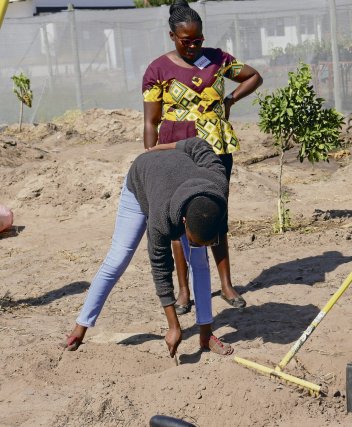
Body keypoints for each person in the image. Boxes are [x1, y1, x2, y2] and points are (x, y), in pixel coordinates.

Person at [142, 0, 263, 313]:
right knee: (176, 219)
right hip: (175, 150)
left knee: (215, 213)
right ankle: (184, 292)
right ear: (172, 36)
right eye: (186, 41)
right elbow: (150, 121)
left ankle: (225, 285)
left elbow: (253, 76)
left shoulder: (218, 59)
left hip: (216, 148)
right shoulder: (157, 69)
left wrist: (230, 100)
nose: (193, 46)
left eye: (198, 40)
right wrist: (150, 156)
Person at [65, 138, 234, 357]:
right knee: (119, 258)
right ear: (184, 221)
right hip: (143, 178)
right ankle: (80, 326)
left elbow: (198, 145)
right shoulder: (161, 217)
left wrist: (164, 147)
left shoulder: (217, 185)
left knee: (199, 262)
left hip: (175, 178)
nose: (192, 245)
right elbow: (161, 268)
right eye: (191, 240)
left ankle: (205, 334)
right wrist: (173, 325)